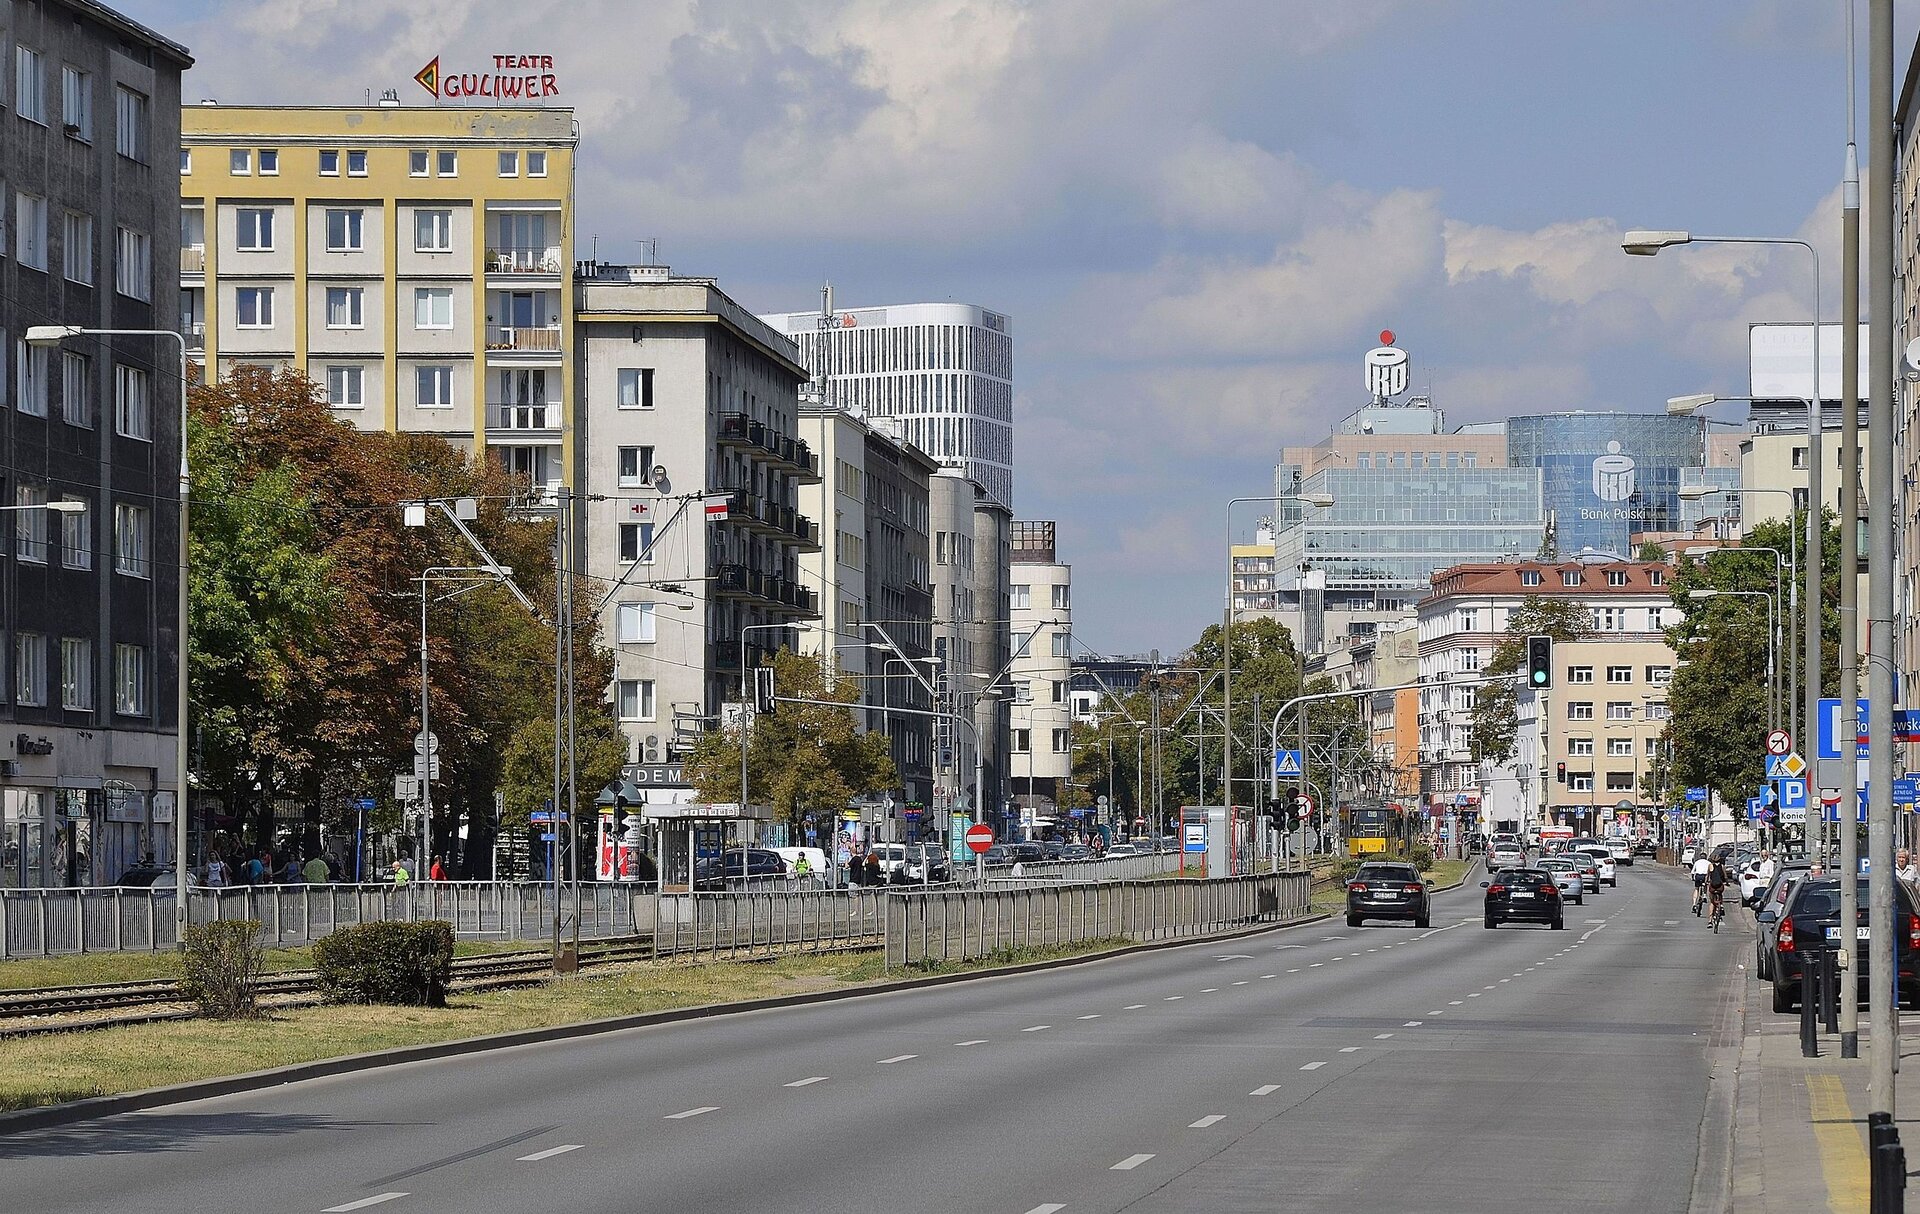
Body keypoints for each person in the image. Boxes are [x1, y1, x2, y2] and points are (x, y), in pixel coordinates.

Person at [1705, 855, 1728, 924]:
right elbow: (1725, 876)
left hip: (1712, 886)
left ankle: (1710, 920)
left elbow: (1707, 876)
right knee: (1720, 894)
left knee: (1712, 902)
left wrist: (1706, 882)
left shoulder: (1710, 866)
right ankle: (1721, 905)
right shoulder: (1722, 866)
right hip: (1720, 886)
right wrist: (1727, 882)